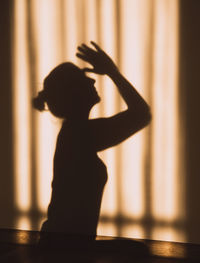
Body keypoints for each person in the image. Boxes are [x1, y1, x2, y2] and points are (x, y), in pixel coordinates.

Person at [33, 41, 151, 244]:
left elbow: (141, 115)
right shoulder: (78, 135)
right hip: (64, 250)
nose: (93, 82)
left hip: (63, 246)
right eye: (84, 79)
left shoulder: (75, 133)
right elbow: (141, 114)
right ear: (74, 94)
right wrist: (113, 72)